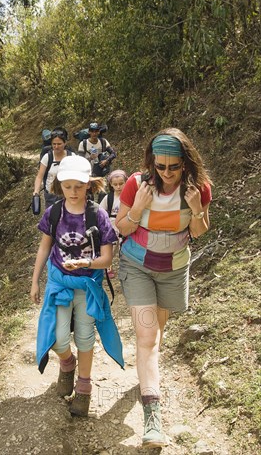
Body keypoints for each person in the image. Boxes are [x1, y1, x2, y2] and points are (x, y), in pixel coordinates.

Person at [115, 128, 213, 448]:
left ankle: (146, 371)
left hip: (173, 270)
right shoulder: (136, 185)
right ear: (152, 162)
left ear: (185, 162)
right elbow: (122, 227)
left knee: (157, 333)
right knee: (148, 337)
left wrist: (197, 208)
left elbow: (198, 231)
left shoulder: (198, 189)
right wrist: (138, 209)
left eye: (174, 166)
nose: (167, 173)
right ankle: (152, 420)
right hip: (137, 266)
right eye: (161, 166)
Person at [30, 155, 124, 417]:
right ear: (60, 186)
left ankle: (84, 386)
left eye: (79, 186)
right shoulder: (54, 212)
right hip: (60, 284)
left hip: (87, 285)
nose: (73, 192)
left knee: (84, 336)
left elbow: (106, 258)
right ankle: (67, 364)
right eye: (67, 186)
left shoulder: (98, 215)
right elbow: (44, 247)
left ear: (88, 185)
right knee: (58, 339)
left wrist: (87, 262)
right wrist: (35, 280)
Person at [33, 127, 74, 209]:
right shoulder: (47, 157)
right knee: (52, 219)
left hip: (68, 194)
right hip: (51, 195)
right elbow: (39, 176)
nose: (56, 146)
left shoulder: (72, 157)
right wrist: (36, 191)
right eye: (54, 144)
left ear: (65, 143)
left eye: (59, 144)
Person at [99, 169, 128, 278]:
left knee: (125, 249)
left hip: (125, 226)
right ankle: (108, 268)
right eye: (115, 184)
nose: (118, 187)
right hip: (112, 227)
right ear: (111, 185)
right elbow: (100, 211)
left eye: (121, 184)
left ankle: (125, 269)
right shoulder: (109, 198)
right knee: (110, 249)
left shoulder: (130, 196)